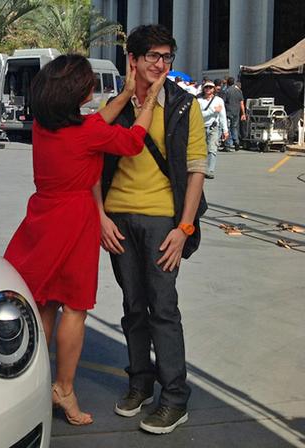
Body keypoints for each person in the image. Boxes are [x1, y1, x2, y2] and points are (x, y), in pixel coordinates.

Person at [4, 54, 165, 426]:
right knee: (74, 308)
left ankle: (35, 385)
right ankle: (64, 388)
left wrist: (125, 94)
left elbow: (94, 122)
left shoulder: (45, 126)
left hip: (42, 218)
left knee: (43, 303)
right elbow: (133, 140)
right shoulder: (86, 133)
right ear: (76, 92)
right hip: (75, 221)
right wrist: (149, 98)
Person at [99, 24, 207, 435]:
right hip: (118, 221)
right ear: (134, 61)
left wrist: (184, 226)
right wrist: (101, 217)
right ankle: (140, 383)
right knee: (132, 306)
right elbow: (91, 159)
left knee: (162, 308)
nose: (161, 65)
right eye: (153, 57)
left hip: (164, 221)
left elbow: (196, 170)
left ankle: (175, 398)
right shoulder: (117, 105)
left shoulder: (183, 106)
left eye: (167, 57)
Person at [197, 81, 228, 178]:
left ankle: (210, 170)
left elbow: (222, 116)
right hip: (200, 127)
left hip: (214, 127)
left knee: (212, 149)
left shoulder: (219, 100)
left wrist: (225, 130)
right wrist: (212, 111)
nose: (208, 89)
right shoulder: (199, 100)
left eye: (210, 87)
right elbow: (198, 115)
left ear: (214, 89)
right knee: (200, 150)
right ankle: (200, 169)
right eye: (206, 87)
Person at [223, 77, 246, 150]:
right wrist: (243, 113)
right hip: (236, 112)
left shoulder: (226, 91)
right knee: (235, 127)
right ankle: (236, 142)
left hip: (228, 112)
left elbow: (223, 102)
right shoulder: (238, 91)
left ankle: (228, 145)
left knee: (228, 128)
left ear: (227, 83)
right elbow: (242, 103)